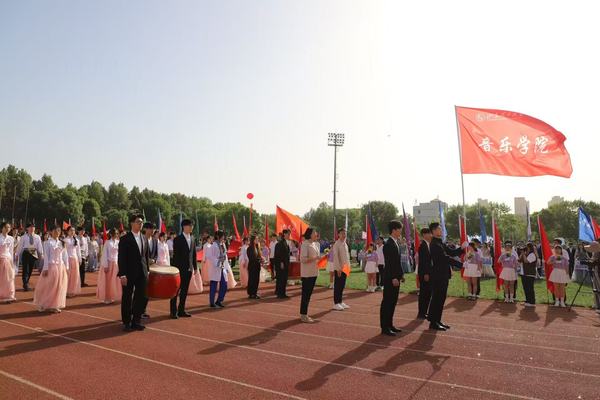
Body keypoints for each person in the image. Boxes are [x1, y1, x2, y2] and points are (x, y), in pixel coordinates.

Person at [428, 222, 465, 331]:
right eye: (439, 229)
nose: (441, 230)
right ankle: (433, 322)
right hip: (438, 275)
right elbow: (445, 258)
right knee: (437, 298)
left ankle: (437, 320)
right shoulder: (434, 244)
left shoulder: (440, 242)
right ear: (434, 231)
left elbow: (451, 252)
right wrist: (460, 265)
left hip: (443, 274)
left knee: (441, 298)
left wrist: (462, 248)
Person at [118, 214, 150, 332]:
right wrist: (122, 274)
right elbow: (121, 258)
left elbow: (146, 256)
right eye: (138, 222)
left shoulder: (144, 238)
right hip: (129, 273)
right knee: (127, 297)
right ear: (132, 223)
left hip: (142, 273)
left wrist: (147, 270)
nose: (140, 224)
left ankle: (136, 321)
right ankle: (126, 322)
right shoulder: (125, 239)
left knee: (140, 297)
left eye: (141, 222)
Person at [33, 225, 68, 313]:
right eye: (55, 231)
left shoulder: (62, 243)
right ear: (51, 232)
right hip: (51, 266)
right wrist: (45, 268)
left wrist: (67, 267)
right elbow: (46, 256)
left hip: (60, 266)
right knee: (49, 286)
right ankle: (43, 304)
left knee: (58, 286)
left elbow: (65, 256)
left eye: (58, 231)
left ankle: (55, 305)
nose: (57, 233)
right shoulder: (47, 243)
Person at [380, 220, 405, 336]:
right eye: (400, 229)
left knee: (393, 302)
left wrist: (401, 275)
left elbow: (397, 262)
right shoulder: (388, 244)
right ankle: (385, 327)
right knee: (388, 302)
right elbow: (389, 264)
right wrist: (394, 277)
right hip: (390, 278)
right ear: (394, 230)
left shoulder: (395, 243)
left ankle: (390, 325)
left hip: (396, 277)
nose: (401, 231)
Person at [170, 219, 196, 319]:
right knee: (175, 291)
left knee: (184, 291)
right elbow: (176, 256)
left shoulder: (192, 238)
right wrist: (175, 270)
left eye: (192, 225)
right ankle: (173, 311)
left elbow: (193, 254)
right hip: (179, 269)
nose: (191, 227)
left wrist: (194, 267)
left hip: (189, 269)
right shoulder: (178, 239)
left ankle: (181, 310)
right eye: (190, 225)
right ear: (184, 227)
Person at [15, 223, 44, 292]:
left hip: (33, 253)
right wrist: (17, 254)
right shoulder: (23, 237)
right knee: (25, 269)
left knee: (30, 269)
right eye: (30, 227)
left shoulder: (37, 237)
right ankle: (25, 284)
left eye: (33, 227)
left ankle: (26, 281)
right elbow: (20, 246)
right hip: (26, 252)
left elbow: (39, 246)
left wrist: (41, 254)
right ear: (27, 228)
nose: (32, 228)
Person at [299, 227, 320, 323]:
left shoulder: (315, 244)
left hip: (314, 272)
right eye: (314, 233)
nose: (316, 234)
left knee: (309, 295)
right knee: (306, 295)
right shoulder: (305, 244)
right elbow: (303, 259)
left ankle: (304, 314)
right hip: (307, 274)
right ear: (310, 234)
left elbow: (317, 257)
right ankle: (303, 315)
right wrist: (315, 258)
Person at [96, 228, 121, 304]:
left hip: (116, 264)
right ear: (111, 234)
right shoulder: (107, 242)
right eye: (115, 233)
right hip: (109, 264)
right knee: (107, 281)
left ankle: (113, 296)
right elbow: (104, 254)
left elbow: (120, 254)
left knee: (115, 281)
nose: (116, 235)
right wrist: (105, 265)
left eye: (117, 233)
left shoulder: (118, 242)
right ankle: (107, 298)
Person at [206, 230, 229, 308]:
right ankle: (212, 303)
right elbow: (209, 256)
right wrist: (218, 261)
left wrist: (226, 266)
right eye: (222, 236)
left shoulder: (222, 245)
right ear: (218, 237)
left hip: (222, 268)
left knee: (224, 285)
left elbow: (225, 256)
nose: (223, 237)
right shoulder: (213, 245)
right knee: (214, 285)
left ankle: (219, 301)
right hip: (215, 268)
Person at [332, 228, 351, 311]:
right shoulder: (337, 244)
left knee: (342, 285)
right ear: (338, 234)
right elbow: (336, 257)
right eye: (342, 233)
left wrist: (348, 267)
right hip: (339, 268)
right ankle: (336, 303)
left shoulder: (345, 244)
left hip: (345, 268)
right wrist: (338, 268)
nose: (344, 235)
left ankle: (340, 301)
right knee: (338, 285)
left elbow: (347, 257)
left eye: (345, 233)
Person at [417, 228, 433, 320]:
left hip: (429, 273)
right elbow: (424, 261)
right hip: (424, 273)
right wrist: (426, 273)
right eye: (429, 233)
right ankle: (421, 313)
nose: (430, 235)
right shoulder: (422, 246)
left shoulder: (428, 245)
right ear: (424, 235)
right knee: (424, 293)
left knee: (428, 293)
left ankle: (424, 311)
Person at [0, 222, 16, 303]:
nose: (7, 229)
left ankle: (8, 295)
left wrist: (12, 262)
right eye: (5, 227)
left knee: (8, 278)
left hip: (8, 260)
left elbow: (11, 251)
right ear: (2, 228)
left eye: (9, 227)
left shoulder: (11, 238)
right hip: (0, 259)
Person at [64, 226, 82, 297]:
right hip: (68, 259)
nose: (72, 232)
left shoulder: (76, 240)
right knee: (68, 275)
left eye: (73, 230)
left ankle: (72, 290)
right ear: (67, 231)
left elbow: (78, 250)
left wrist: (80, 259)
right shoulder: (65, 240)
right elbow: (64, 251)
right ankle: (66, 290)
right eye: (71, 230)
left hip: (75, 259)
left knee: (75, 276)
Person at [274, 230, 291, 299]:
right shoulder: (280, 243)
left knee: (284, 279)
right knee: (281, 279)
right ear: (284, 234)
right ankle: (280, 294)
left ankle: (283, 293)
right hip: (281, 264)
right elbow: (278, 254)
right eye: (288, 234)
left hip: (285, 264)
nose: (289, 235)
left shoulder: (286, 242)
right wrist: (281, 262)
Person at [519, 242, 537, 307]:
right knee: (526, 288)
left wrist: (524, 254)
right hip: (524, 273)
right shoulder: (526, 254)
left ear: (530, 248)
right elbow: (519, 260)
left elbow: (526, 261)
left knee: (530, 288)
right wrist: (522, 253)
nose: (526, 248)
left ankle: (532, 302)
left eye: (527, 247)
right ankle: (527, 300)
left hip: (530, 274)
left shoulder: (532, 255)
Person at [246, 235, 262, 299]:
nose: (257, 240)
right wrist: (259, 260)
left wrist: (261, 259)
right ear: (253, 240)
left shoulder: (257, 247)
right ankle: (251, 293)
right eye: (256, 239)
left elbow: (258, 257)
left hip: (257, 266)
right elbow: (252, 258)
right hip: (252, 267)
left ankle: (254, 293)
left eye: (257, 239)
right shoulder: (249, 248)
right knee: (252, 280)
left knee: (256, 280)